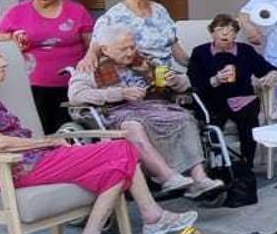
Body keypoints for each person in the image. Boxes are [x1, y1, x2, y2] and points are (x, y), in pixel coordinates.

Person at [0, 38, 197, 234]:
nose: (3, 61)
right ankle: (152, 218)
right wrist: (45, 142)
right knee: (121, 148)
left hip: (30, 162)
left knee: (115, 168)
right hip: (14, 169)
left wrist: (48, 145)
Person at [68, 24, 227, 198]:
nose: (130, 52)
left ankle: (199, 178)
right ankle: (167, 176)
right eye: (123, 49)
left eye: (132, 46)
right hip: (118, 111)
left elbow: (185, 83)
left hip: (155, 107)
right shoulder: (90, 67)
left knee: (184, 118)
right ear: (105, 49)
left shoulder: (144, 62)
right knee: (133, 126)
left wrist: (175, 81)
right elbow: (76, 95)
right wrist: (119, 93)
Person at [188, 14, 277, 208]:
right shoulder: (200, 53)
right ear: (212, 33)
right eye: (220, 30)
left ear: (236, 35)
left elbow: (269, 69)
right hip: (213, 101)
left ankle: (246, 166)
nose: (225, 34)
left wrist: (271, 75)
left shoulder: (245, 51)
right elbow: (194, 84)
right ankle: (217, 169)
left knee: (248, 119)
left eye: (230, 31)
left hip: (243, 100)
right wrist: (216, 80)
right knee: (212, 126)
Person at [0, 0, 93, 133]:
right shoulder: (16, 13)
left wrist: (89, 62)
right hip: (33, 84)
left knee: (72, 130)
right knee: (40, 129)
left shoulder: (76, 10)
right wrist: (14, 42)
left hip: (72, 83)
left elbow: (91, 45)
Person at [79, 0, 182, 70]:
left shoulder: (159, 10)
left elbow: (172, 41)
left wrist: (190, 62)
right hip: (136, 71)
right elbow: (98, 41)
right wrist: (90, 56)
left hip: (166, 73)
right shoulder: (116, 14)